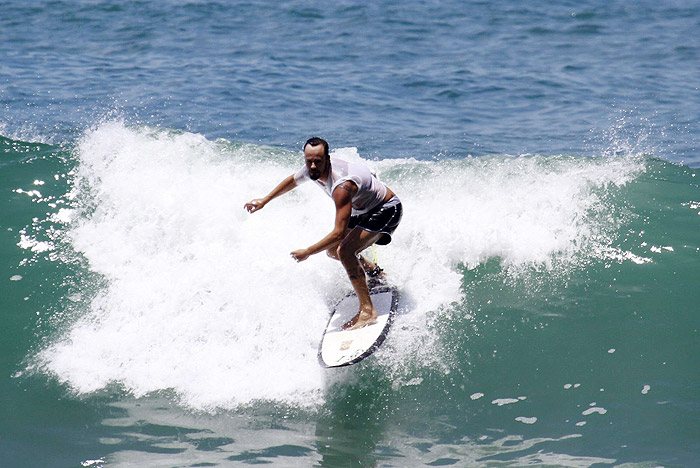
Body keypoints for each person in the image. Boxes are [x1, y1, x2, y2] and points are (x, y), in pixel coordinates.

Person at [244, 137, 402, 330]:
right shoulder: (313, 168)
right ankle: (375, 273)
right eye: (308, 161)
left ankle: (368, 312)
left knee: (344, 250)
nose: (312, 166)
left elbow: (338, 233)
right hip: (362, 208)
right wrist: (265, 200)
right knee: (333, 251)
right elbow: (292, 181)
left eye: (317, 161)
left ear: (327, 159)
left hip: (385, 208)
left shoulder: (342, 187)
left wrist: (308, 252)